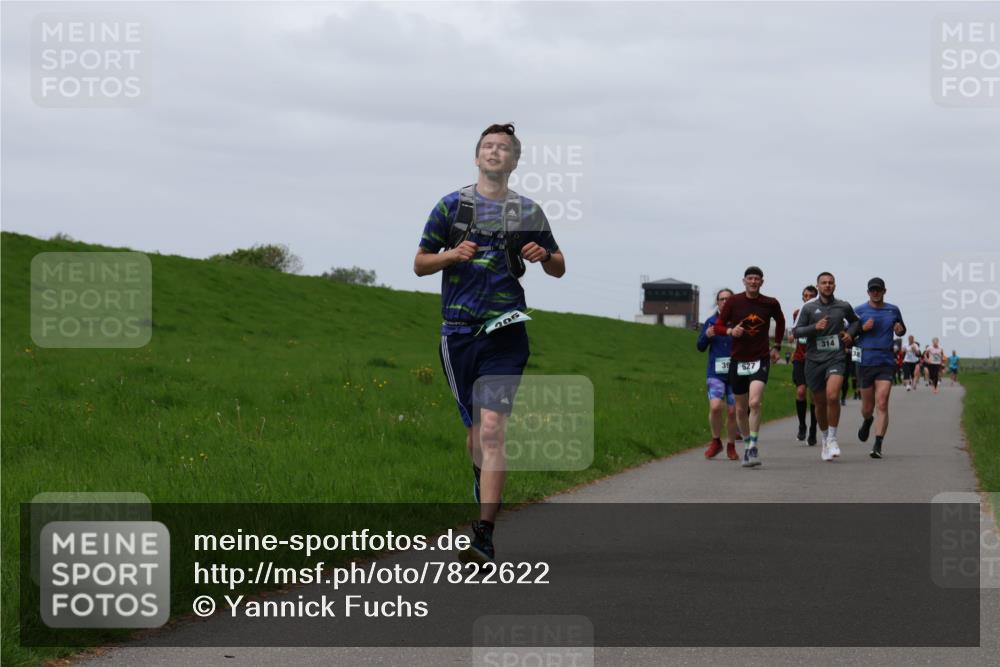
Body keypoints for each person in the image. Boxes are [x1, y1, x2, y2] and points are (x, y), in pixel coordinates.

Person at [414, 123, 565, 564]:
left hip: (506, 332)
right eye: (487, 146)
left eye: (503, 148)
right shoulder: (451, 206)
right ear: (477, 157)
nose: (494, 152)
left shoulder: (528, 211)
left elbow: (559, 266)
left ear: (514, 161)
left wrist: (544, 257)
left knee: (494, 429)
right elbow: (420, 263)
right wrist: (450, 255)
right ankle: (483, 488)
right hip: (458, 334)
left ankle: (484, 533)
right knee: (475, 433)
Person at [714, 266, 785, 468]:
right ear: (743, 281)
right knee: (740, 408)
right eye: (750, 278)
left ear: (762, 282)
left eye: (757, 279)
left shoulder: (770, 303)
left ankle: (753, 445)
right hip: (738, 360)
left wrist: (777, 345)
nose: (753, 282)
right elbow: (718, 325)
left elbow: (780, 321)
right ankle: (746, 445)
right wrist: (730, 330)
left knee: (754, 403)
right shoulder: (734, 302)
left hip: (760, 358)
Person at [792, 272, 861, 462]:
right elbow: (796, 332)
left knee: (833, 395)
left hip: (836, 357)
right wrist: (815, 327)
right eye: (823, 283)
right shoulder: (808, 307)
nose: (827, 285)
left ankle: (832, 438)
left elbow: (855, 321)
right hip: (813, 360)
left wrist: (850, 334)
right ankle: (824, 438)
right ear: (818, 285)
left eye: (830, 283)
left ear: (835, 286)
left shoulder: (843, 306)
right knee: (820, 403)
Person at [853, 277, 907, 459]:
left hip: (885, 360)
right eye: (872, 290)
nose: (875, 293)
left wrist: (900, 330)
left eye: (878, 290)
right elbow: (848, 335)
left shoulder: (893, 309)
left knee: (882, 403)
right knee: (867, 407)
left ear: (884, 291)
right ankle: (867, 421)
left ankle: (877, 444)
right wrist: (862, 329)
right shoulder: (859, 311)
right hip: (865, 361)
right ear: (868, 292)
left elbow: (901, 329)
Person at [697, 289, 741, 460]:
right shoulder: (711, 322)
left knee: (732, 412)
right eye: (721, 299)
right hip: (715, 373)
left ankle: (731, 445)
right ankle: (716, 441)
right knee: (715, 407)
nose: (724, 302)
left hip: (735, 373)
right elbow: (700, 347)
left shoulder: (739, 321)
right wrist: (706, 336)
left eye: (728, 299)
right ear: (717, 302)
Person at [790, 285, 819, 445]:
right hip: (800, 357)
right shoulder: (797, 313)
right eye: (805, 296)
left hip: (815, 358)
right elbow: (795, 330)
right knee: (801, 391)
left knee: (814, 395)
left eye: (811, 296)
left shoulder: (821, 313)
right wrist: (792, 336)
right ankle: (802, 425)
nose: (808, 298)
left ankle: (814, 429)